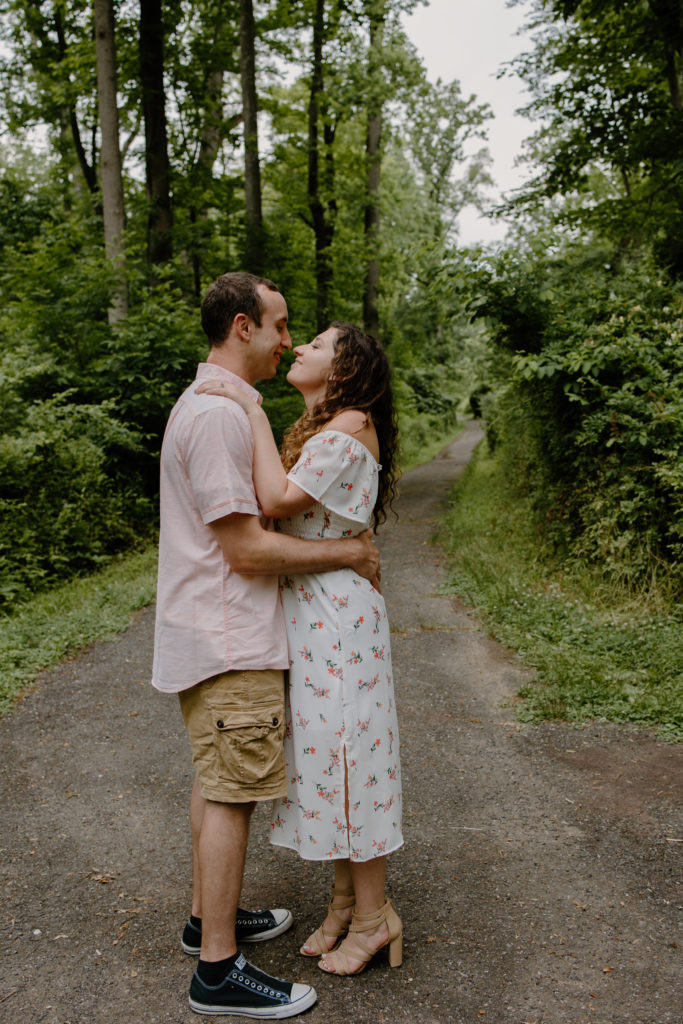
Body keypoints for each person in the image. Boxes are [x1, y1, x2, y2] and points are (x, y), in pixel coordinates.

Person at [152, 273, 381, 1018]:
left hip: (219, 630)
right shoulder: (220, 418)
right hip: (228, 633)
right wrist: (346, 555)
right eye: (282, 326)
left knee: (217, 778)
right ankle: (217, 969)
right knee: (231, 793)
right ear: (244, 327)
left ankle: (204, 920)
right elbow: (249, 551)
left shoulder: (223, 409)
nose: (289, 341)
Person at [196, 321, 404, 978]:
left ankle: (375, 918)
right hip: (318, 617)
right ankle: (346, 902)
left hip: (338, 622)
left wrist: (249, 409)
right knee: (331, 762)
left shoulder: (348, 427)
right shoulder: (327, 427)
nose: (301, 347)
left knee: (351, 763)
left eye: (317, 343)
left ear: (345, 367)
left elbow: (275, 500)